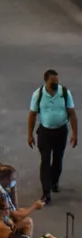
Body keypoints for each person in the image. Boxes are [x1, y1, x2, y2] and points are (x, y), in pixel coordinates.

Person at [28, 69, 77, 204]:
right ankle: (46, 192)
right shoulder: (38, 94)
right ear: (46, 81)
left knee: (57, 160)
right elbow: (32, 115)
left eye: (57, 81)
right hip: (45, 132)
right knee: (45, 160)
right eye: (52, 82)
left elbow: (72, 114)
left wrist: (75, 133)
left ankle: (54, 182)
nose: (56, 83)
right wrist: (30, 135)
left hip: (61, 131)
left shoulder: (65, 93)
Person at [0, 164, 43, 236]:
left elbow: (14, 208)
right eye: (12, 178)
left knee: (21, 210)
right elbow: (17, 216)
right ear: (6, 179)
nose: (13, 180)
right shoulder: (2, 193)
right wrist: (35, 206)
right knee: (28, 222)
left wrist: (13, 189)